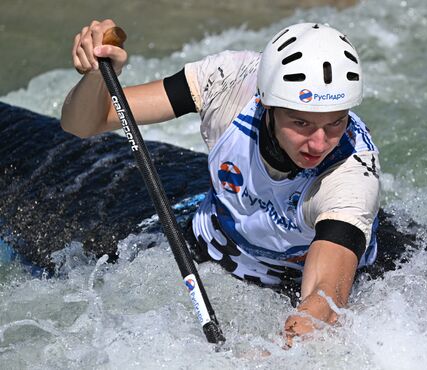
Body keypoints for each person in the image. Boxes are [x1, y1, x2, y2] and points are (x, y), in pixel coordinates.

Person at [61, 19, 381, 346]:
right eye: (301, 122)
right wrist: (98, 76)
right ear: (267, 103)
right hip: (212, 252)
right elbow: (83, 123)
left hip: (286, 287)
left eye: (335, 122)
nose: (319, 143)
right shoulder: (231, 82)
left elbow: (324, 300)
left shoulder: (352, 172)